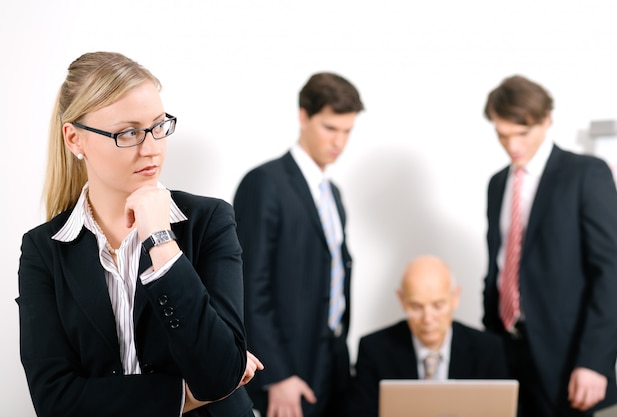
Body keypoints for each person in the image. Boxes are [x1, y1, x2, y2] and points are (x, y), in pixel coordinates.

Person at [16, 51, 262, 417]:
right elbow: (55, 400)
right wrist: (185, 396)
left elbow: (218, 373)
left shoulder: (209, 219)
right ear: (74, 139)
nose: (151, 149)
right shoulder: (44, 249)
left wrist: (161, 241)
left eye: (158, 126)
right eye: (128, 133)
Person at [482, 74, 617, 417]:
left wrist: (594, 361)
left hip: (571, 358)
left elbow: (612, 273)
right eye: (502, 136)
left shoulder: (586, 174)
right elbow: (499, 264)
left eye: (522, 134)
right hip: (507, 351)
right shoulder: (498, 183)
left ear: (546, 120)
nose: (513, 146)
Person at [233, 72, 364, 417]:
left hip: (333, 357)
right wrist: (277, 374)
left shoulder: (332, 194)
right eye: (330, 128)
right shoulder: (265, 183)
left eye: (347, 131)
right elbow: (248, 286)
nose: (339, 141)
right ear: (303, 117)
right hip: (287, 364)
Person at [349, 255, 509, 417]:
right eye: (416, 307)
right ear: (401, 300)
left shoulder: (488, 349)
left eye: (438, 306)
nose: (428, 318)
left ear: (455, 297)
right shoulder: (374, 350)